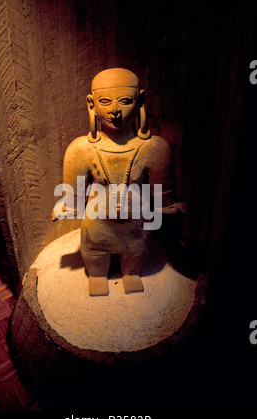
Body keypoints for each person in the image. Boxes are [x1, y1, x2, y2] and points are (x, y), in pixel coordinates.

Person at [52, 68, 183, 296]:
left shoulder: (154, 148)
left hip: (136, 225)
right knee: (95, 255)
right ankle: (97, 276)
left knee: (135, 253)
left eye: (124, 101)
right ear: (91, 104)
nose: (114, 111)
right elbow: (73, 196)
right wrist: (67, 206)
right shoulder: (81, 149)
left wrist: (169, 207)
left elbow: (163, 196)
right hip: (97, 223)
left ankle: (130, 274)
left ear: (140, 100)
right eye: (105, 102)